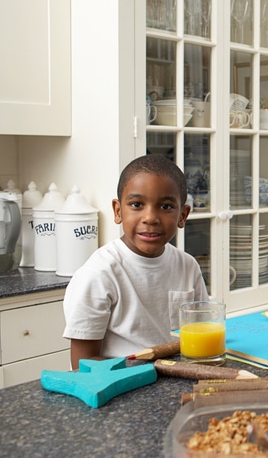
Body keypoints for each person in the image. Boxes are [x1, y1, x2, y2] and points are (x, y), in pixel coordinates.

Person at [62, 154, 208, 369]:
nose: (150, 217)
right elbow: (82, 364)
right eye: (137, 204)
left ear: (183, 215)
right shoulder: (99, 273)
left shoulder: (187, 266)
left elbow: (201, 333)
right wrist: (150, 371)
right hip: (123, 389)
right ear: (118, 211)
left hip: (178, 378)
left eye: (166, 207)